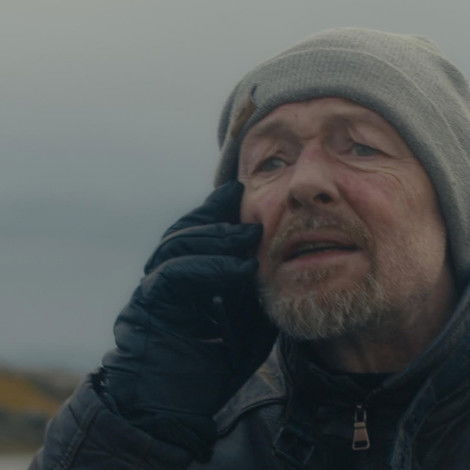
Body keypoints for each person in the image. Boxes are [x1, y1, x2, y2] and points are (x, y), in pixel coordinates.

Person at [30, 28, 470, 469]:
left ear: (455, 198)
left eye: (361, 147)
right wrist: (133, 425)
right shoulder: (194, 432)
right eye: (271, 161)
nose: (303, 184)